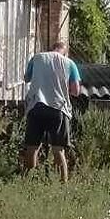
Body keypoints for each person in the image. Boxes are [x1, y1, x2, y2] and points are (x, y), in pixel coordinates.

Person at [21, 37, 81, 181]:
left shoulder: (37, 58)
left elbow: (26, 78)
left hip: (36, 106)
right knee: (58, 150)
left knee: (32, 148)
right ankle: (63, 185)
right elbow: (76, 91)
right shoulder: (69, 63)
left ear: (51, 49)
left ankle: (28, 183)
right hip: (58, 109)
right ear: (65, 53)